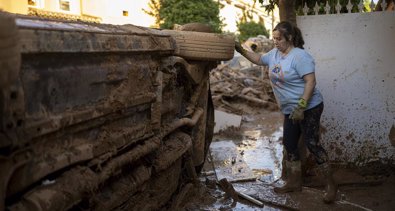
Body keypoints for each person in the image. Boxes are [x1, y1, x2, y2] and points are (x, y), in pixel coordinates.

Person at [235, 21, 337, 203]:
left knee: (312, 144)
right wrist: (241, 49)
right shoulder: (274, 54)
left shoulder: (300, 57)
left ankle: (330, 185)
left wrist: (302, 105)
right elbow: (259, 59)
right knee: (290, 144)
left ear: (289, 38)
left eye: (279, 39)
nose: (275, 42)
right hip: (290, 109)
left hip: (310, 106)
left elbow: (311, 82)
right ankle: (294, 182)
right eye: (273, 38)